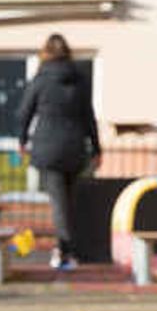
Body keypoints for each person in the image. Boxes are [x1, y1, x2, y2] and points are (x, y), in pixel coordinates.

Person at [18, 34, 102, 271]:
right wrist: (96, 148)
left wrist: (22, 140)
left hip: (48, 148)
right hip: (75, 148)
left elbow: (24, 112)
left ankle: (64, 250)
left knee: (59, 203)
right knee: (69, 202)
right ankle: (69, 250)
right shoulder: (79, 81)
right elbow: (89, 117)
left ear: (45, 53)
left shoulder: (41, 80)